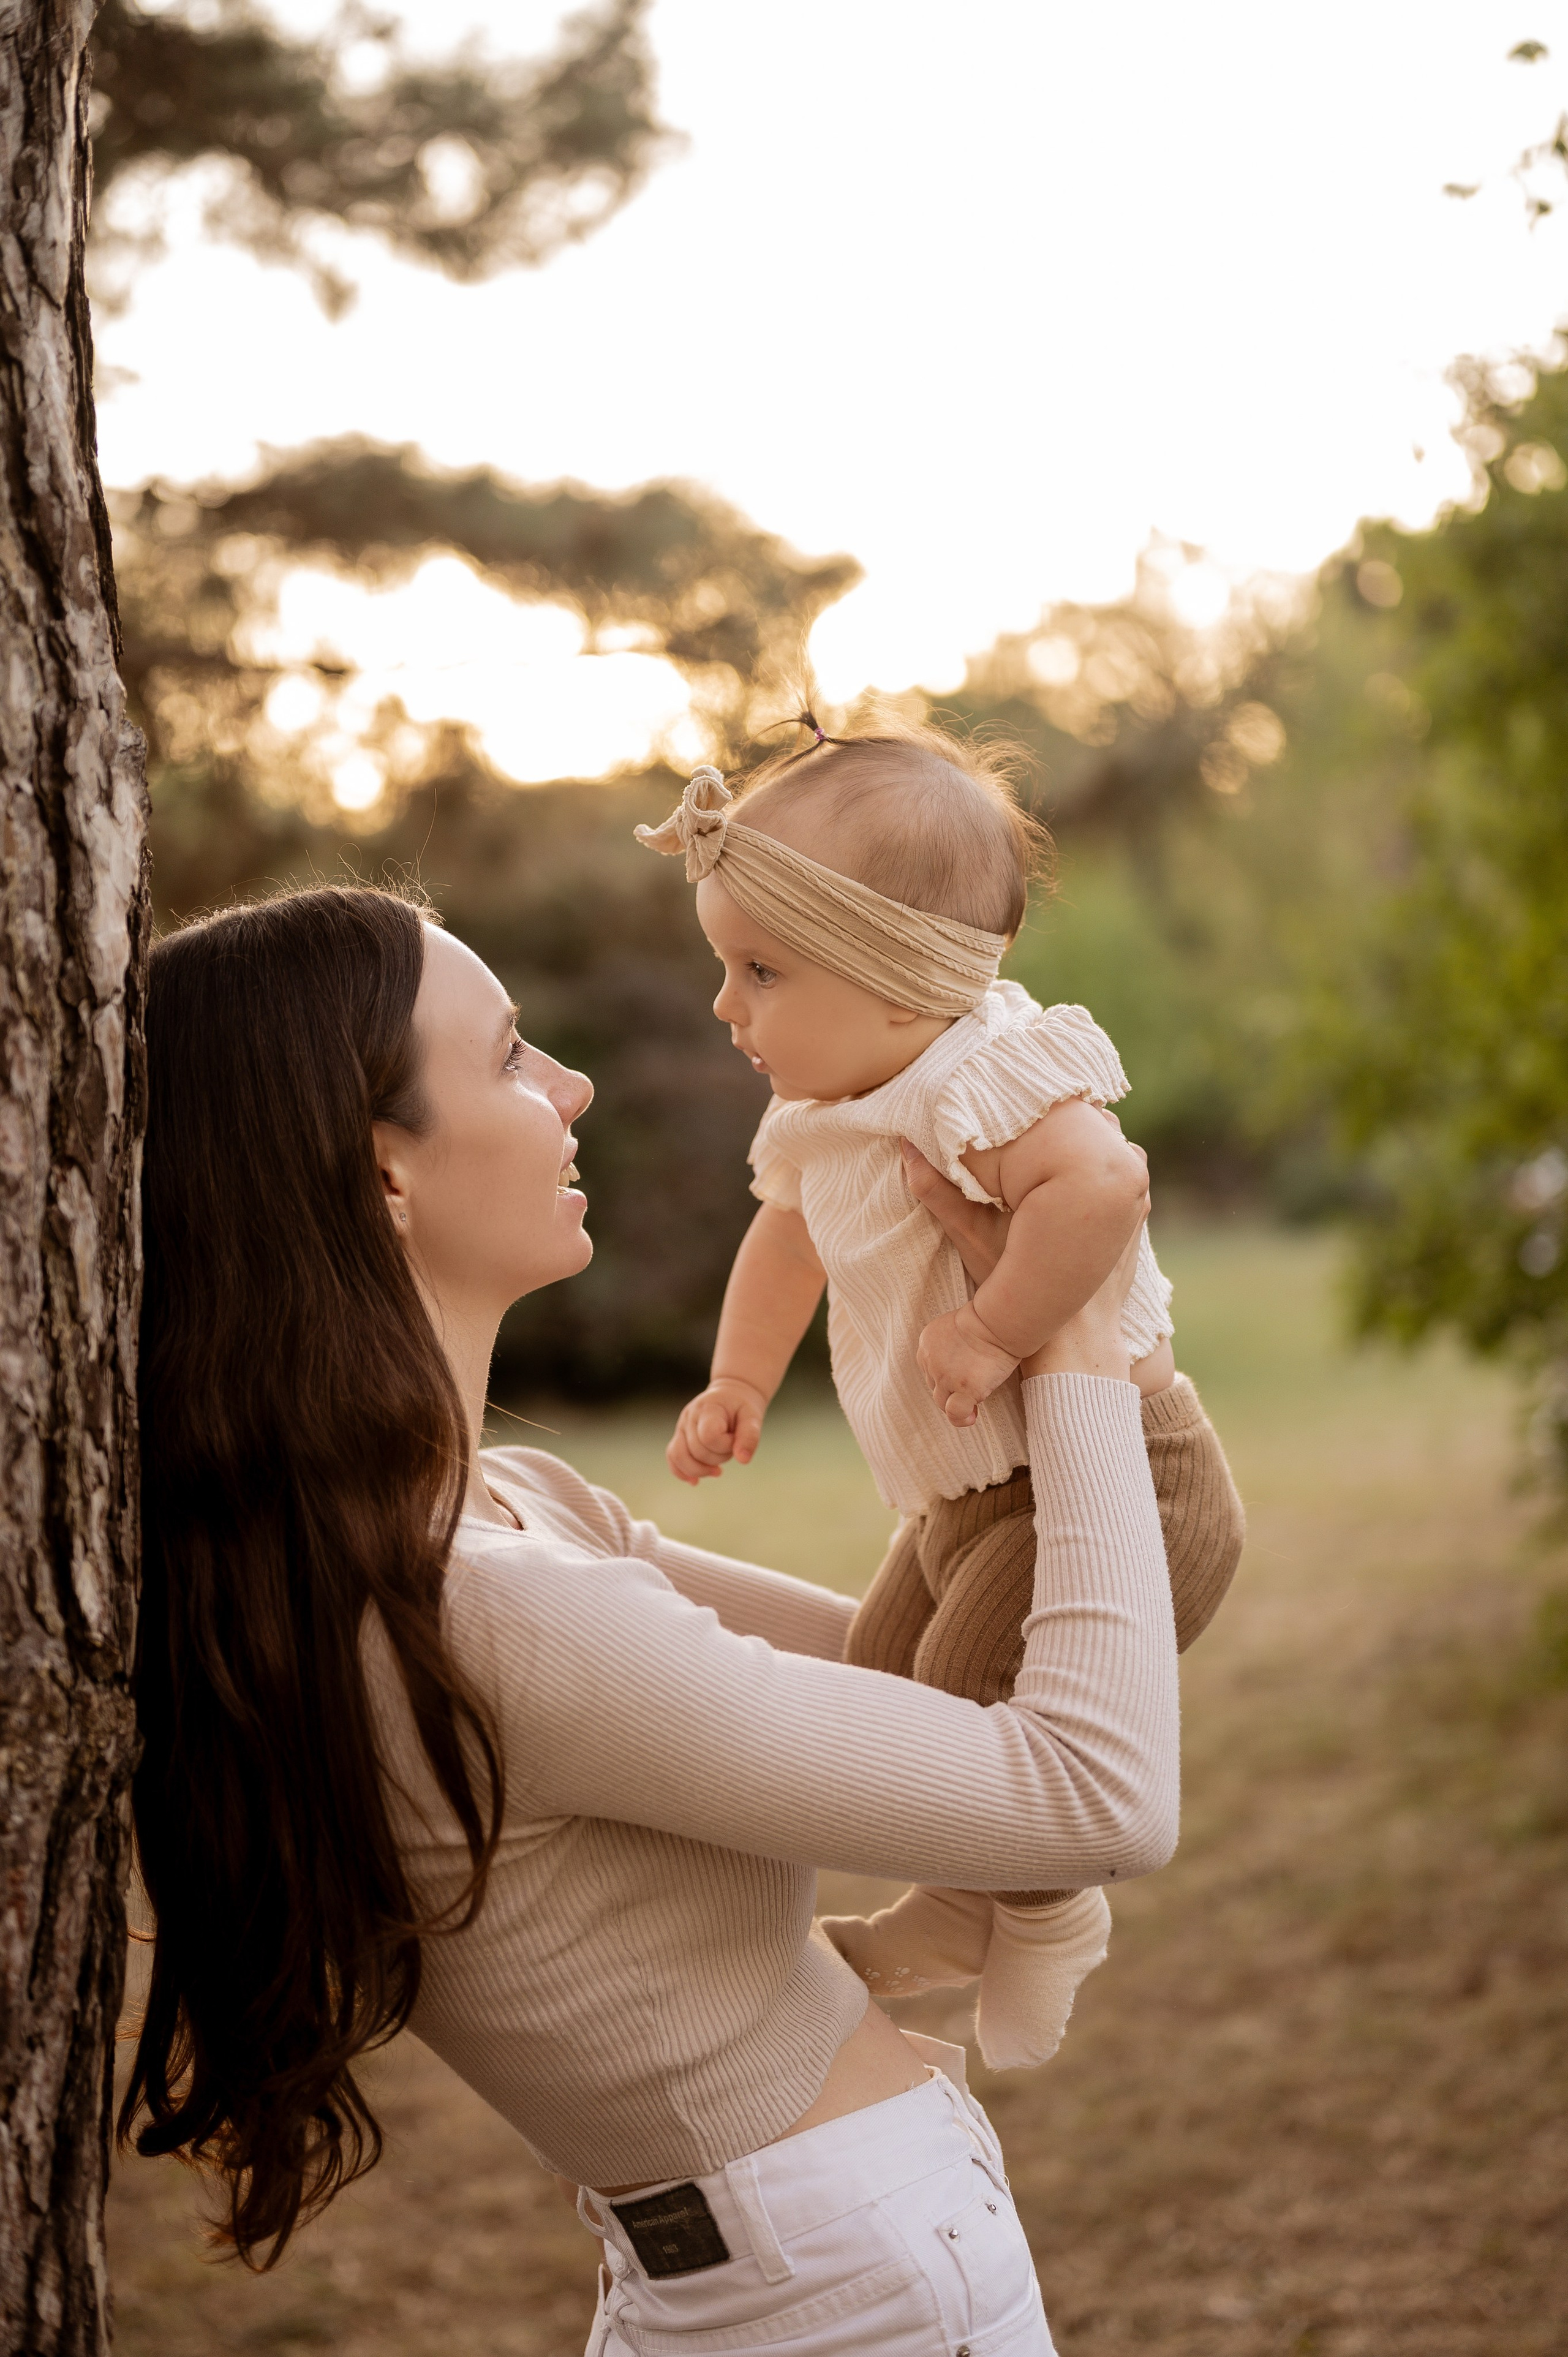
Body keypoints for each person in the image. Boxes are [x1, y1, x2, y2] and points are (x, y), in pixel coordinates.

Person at [123, 882, 1180, 2357]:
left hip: (783, 2267)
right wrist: (1074, 1341)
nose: (573, 1083)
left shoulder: (503, 1515)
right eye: (505, 1057)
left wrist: (988, 1305)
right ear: (381, 1176)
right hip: (835, 2295)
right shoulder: (486, 1612)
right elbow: (1090, 1794)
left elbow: (922, 1685)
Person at [643, 720, 1243, 2070]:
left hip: (1124, 1482)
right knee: (884, 1685)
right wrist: (739, 1376)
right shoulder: (829, 1104)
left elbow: (1104, 1186)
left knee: (967, 1706)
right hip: (973, 1494)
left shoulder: (983, 1073)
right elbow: (786, 1234)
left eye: (757, 971)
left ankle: (1028, 1914)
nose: (726, 1008)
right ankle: (968, 1905)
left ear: (897, 978)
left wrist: (990, 1325)